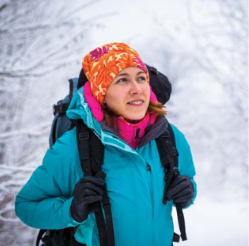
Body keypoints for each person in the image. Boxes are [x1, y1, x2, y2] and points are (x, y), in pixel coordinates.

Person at [15, 42, 197, 246]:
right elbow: (26, 206)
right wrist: (73, 209)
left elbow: (187, 180)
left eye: (141, 78)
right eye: (122, 80)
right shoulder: (72, 147)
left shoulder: (169, 137)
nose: (137, 89)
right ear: (101, 92)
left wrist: (188, 191)